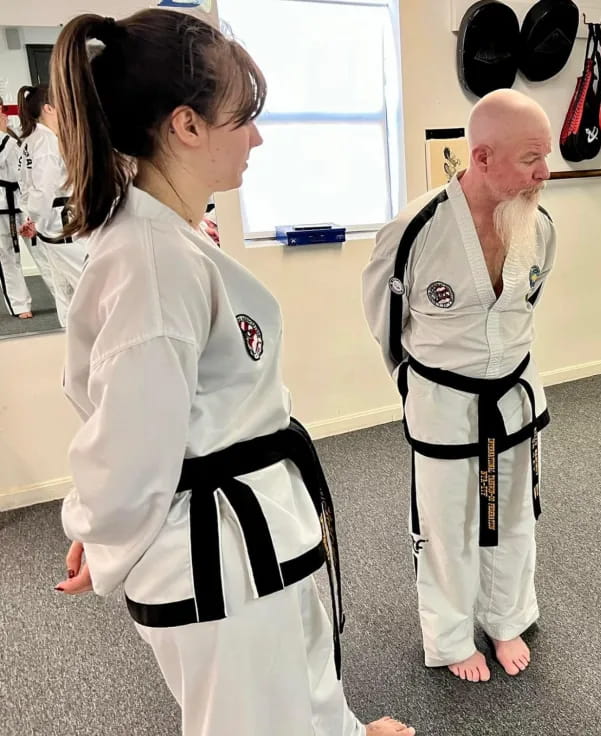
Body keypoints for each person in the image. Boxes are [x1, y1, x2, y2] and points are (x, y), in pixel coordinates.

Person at [50, 10, 413, 736]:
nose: (257, 136)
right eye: (243, 118)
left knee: (299, 674)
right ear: (185, 126)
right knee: (253, 717)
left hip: (253, 525)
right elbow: (131, 447)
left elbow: (147, 421)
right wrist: (95, 518)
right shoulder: (150, 262)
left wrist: (101, 512)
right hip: (218, 556)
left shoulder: (173, 235)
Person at [362, 89, 556, 682]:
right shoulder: (414, 230)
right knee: (447, 524)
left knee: (513, 512)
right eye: (530, 159)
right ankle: (448, 639)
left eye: (544, 157)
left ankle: (506, 618)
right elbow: (384, 322)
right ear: (482, 157)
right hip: (443, 399)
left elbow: (524, 307)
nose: (544, 172)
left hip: (514, 395)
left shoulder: (538, 225)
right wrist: (419, 386)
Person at [17, 84, 86, 326]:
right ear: (48, 108)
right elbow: (43, 189)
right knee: (89, 286)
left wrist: (33, 219)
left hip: (51, 224)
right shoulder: (46, 142)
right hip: (62, 224)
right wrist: (37, 218)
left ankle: (75, 346)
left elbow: (28, 188)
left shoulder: (30, 141)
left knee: (65, 291)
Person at [0, 100, 32, 318]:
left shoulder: (14, 132)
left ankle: (65, 296)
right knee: (7, 255)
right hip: (1, 202)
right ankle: (20, 305)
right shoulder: (5, 136)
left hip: (24, 199)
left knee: (42, 248)